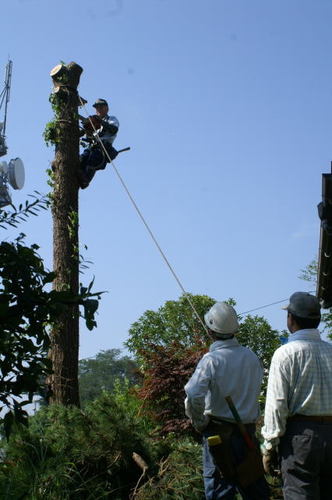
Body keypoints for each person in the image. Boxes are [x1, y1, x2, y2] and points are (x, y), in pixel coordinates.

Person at [184, 301, 270, 500]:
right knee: (255, 490)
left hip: (218, 436)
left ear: (210, 330)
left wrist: (200, 423)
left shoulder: (211, 360)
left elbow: (193, 394)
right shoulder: (251, 357)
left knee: (220, 492)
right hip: (247, 434)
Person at [261, 291, 332, 499]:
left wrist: (268, 446)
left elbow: (277, 405)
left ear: (290, 319)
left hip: (301, 438)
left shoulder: (285, 353)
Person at [78, 98, 119, 189]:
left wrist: (100, 121)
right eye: (97, 108)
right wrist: (87, 131)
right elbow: (89, 136)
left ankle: (85, 180)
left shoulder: (111, 119)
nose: (98, 109)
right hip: (92, 147)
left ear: (107, 109)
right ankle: (77, 176)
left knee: (93, 159)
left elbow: (114, 129)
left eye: (101, 107)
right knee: (81, 159)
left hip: (103, 147)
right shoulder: (94, 123)